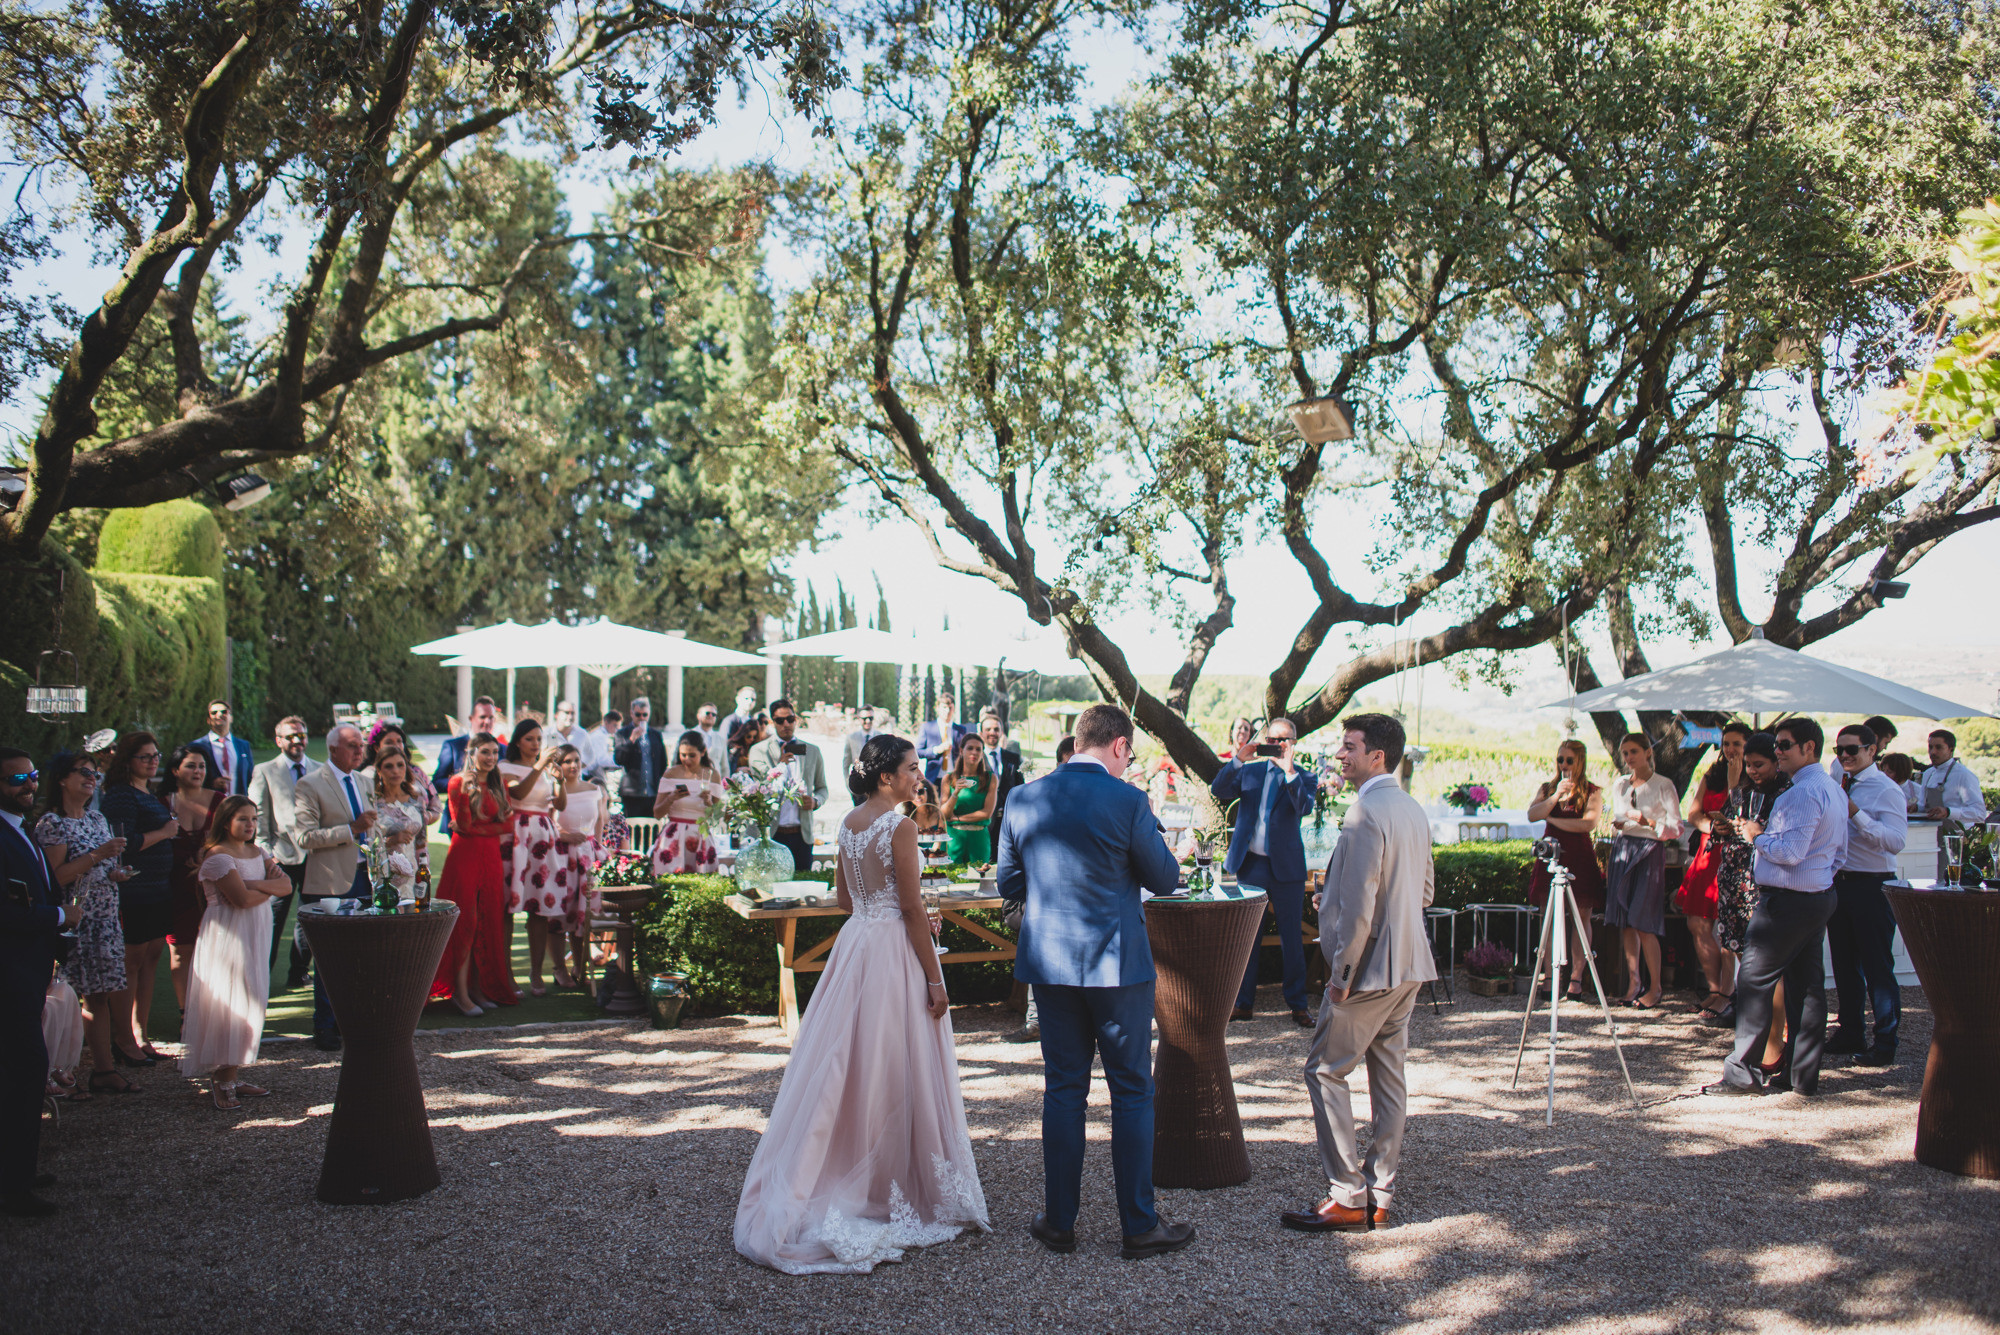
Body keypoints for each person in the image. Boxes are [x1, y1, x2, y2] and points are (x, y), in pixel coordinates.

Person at [733, 734, 990, 1273]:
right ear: (885, 777)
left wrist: (887, 909)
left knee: (847, 1063)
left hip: (857, 945)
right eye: (912, 768)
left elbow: (845, 899)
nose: (919, 776)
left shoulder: (849, 822)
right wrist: (936, 980)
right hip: (892, 951)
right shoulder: (899, 826)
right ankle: (890, 1180)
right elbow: (916, 913)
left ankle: (838, 1166)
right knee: (894, 1061)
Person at [998, 703, 1192, 1260]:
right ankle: (1139, 1225)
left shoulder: (1022, 797)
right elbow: (1164, 877)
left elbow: (1008, 880)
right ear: (1120, 747)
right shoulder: (1129, 800)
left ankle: (1059, 1222)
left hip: (1051, 966)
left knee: (1064, 1090)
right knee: (1132, 1091)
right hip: (1117, 966)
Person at [1281, 713, 1435, 1234]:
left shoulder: (1365, 810)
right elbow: (1424, 894)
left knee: (1325, 1071)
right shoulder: (1412, 808)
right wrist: (1338, 902)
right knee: (1389, 1077)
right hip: (1411, 963)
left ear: (1377, 757)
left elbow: (1365, 902)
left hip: (1368, 970)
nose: (1340, 755)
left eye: (1349, 747)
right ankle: (1381, 1191)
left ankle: (1348, 1194)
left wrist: (1341, 971)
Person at [1706, 718, 1846, 1097]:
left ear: (1809, 748)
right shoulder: (1833, 789)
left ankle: (1742, 1073)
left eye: (1785, 745)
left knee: (1752, 983)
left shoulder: (1798, 795)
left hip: (1786, 902)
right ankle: (1802, 1076)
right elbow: (1839, 854)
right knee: (1807, 988)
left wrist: (1757, 836)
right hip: (1817, 897)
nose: (1778, 751)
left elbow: (1789, 852)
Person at [1, 748, 87, 1218]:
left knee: (24, 1070)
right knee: (23, 1068)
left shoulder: (21, 829)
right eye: (16, 778)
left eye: (32, 775)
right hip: (9, 971)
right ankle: (14, 1186)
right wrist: (58, 915)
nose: (27, 784)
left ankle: (19, 1169)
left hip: (30, 968)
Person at [34, 752, 136, 1099]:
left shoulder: (97, 819)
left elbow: (99, 870)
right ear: (62, 779)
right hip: (73, 922)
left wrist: (114, 873)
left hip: (105, 918)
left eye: (96, 774)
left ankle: (103, 1070)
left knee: (100, 995)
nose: (92, 778)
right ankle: (60, 1072)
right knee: (66, 997)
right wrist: (98, 855)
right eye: (84, 772)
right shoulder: (53, 823)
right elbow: (54, 878)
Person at [180, 796, 290, 1110]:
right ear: (226, 821)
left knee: (252, 996)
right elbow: (240, 900)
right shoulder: (218, 857)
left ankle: (234, 1073)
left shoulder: (258, 852)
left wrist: (254, 884)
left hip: (255, 930)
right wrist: (263, 889)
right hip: (229, 934)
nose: (250, 825)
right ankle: (222, 1079)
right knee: (231, 1000)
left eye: (254, 819)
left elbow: (286, 888)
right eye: (243, 819)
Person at [1211, 716, 1320, 1026]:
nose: (1278, 745)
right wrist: (1237, 761)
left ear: (1294, 743)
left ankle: (1298, 1005)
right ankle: (1243, 1002)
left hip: (1286, 868)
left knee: (1291, 937)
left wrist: (1289, 771)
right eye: (1273, 739)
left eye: (1284, 740)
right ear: (1266, 741)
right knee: (1246, 937)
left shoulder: (1304, 777)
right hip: (1251, 864)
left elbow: (1304, 808)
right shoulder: (1251, 771)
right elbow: (1218, 790)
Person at [291, 723, 379, 1050]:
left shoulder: (365, 781)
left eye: (362, 745)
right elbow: (305, 837)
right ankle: (325, 1026)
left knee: (361, 958)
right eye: (353, 746)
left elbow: (375, 829)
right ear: (332, 750)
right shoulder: (310, 784)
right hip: (330, 882)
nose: (360, 751)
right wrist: (351, 829)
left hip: (365, 878)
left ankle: (353, 1022)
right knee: (330, 960)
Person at [1825, 723, 1907, 1067]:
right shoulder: (1836, 779)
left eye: (1852, 750)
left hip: (1872, 884)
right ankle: (1851, 1031)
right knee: (1843, 963)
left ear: (1872, 750)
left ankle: (1885, 1042)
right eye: (1838, 750)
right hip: (1839, 881)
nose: (1844, 756)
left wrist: (1856, 815)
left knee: (1877, 966)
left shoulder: (1885, 790)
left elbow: (1896, 842)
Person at [97, 733, 176, 1062]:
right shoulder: (120, 795)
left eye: (156, 755)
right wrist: (164, 833)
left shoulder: (149, 792)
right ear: (127, 760)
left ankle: (141, 1033)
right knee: (131, 962)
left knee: (151, 960)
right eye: (144, 756)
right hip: (134, 890)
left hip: (158, 887)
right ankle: (123, 1038)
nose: (153, 760)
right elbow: (122, 842)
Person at [431, 733, 519, 1015]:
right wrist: (468, 796)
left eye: (494, 752)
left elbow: (508, 826)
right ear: (472, 753)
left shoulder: (498, 782)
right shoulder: (459, 782)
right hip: (465, 857)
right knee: (465, 922)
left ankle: (480, 989)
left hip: (490, 857)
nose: (491, 758)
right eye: (485, 752)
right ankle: (460, 991)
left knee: (488, 921)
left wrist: (480, 829)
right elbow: (464, 825)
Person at [1524, 738, 1607, 1002]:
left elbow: (1588, 823)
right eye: (1560, 759)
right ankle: (1549, 978)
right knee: (1549, 919)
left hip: (1579, 856)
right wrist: (1556, 796)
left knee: (1580, 918)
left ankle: (1576, 979)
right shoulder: (1548, 788)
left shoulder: (1591, 791)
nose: (1564, 764)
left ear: (1580, 761)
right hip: (1551, 854)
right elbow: (1533, 814)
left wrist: (1553, 819)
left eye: (1569, 760)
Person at [1604, 733, 1681, 1008]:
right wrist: (1620, 825)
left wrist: (1648, 821)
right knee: (1625, 920)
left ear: (1648, 752)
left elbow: (1676, 828)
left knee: (1643, 920)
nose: (1629, 758)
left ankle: (1656, 987)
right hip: (1623, 848)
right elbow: (1619, 817)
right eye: (1625, 753)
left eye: (1634, 751)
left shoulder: (1664, 785)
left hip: (1649, 851)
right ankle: (1634, 982)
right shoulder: (1620, 784)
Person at [1678, 722, 1750, 1018]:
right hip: (1709, 850)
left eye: (1736, 743)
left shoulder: (1755, 775)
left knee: (1728, 925)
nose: (1730, 749)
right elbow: (1693, 812)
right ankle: (1714, 988)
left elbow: (1742, 813)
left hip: (1735, 855)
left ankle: (1728, 992)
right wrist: (1710, 826)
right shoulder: (1712, 773)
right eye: (1726, 743)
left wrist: (1735, 781)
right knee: (1697, 923)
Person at [501, 719, 570, 997]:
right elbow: (517, 792)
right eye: (530, 739)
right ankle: (506, 973)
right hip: (515, 836)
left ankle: (536, 972)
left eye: (539, 739)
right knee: (508, 906)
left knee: (539, 906)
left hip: (543, 836)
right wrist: (539, 766)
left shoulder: (545, 770)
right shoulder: (505, 768)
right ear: (518, 741)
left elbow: (561, 804)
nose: (536, 744)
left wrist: (560, 781)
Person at [249, 717, 319, 986]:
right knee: (273, 920)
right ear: (278, 741)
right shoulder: (265, 770)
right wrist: (267, 855)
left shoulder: (319, 769)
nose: (296, 740)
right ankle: (260, 977)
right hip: (281, 858)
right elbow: (258, 816)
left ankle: (298, 972)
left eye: (301, 735)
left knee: (309, 918)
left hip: (315, 856)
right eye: (290, 736)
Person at [163, 743, 219, 1018]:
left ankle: (212, 1012)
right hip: (175, 889)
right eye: (190, 766)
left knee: (214, 951)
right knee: (181, 951)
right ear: (175, 770)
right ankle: (186, 1014)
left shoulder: (220, 801)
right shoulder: (163, 803)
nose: (198, 771)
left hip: (214, 889)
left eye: (202, 766)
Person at [749, 699, 829, 873]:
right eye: (780, 720)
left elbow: (823, 788)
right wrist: (780, 767)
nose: (786, 724)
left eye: (790, 719)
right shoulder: (759, 750)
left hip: (802, 835)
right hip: (773, 834)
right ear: (772, 722)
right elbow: (759, 789)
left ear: (796, 719)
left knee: (802, 888)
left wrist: (815, 802)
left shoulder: (812, 750)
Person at [551, 746, 605, 971]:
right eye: (567, 761)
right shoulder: (553, 791)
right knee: (560, 914)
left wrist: (598, 846)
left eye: (576, 760)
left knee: (583, 914)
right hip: (561, 856)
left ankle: (581, 967)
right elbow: (548, 822)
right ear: (558, 766)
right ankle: (559, 968)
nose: (573, 765)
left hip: (588, 854)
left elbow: (600, 819)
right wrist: (564, 836)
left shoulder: (593, 789)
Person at [652, 732, 722, 876]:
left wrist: (708, 802)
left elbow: (718, 816)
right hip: (674, 835)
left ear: (703, 752)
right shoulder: (671, 774)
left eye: (691, 755)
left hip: (700, 834)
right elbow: (657, 813)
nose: (686, 760)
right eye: (683, 755)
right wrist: (671, 798)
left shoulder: (713, 775)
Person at [431, 695, 499, 836]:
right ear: (471, 719)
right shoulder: (453, 746)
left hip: (491, 820)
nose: (487, 721)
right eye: (482, 717)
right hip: (459, 819)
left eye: (491, 717)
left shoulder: (502, 749)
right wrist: (459, 780)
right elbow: (437, 782)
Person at [371, 750, 434, 900]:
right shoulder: (373, 802)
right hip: (385, 873)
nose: (396, 771)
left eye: (400, 765)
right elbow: (367, 845)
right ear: (379, 771)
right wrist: (392, 840)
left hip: (412, 870)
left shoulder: (416, 797)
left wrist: (423, 871)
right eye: (389, 766)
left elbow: (421, 841)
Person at [942, 734, 999, 864]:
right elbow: (944, 814)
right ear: (961, 751)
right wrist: (955, 793)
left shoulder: (990, 778)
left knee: (977, 879)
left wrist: (957, 819)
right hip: (954, 839)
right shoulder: (949, 779)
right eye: (970, 748)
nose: (974, 752)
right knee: (952, 880)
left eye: (978, 749)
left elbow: (986, 813)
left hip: (978, 839)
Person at [1916, 729, 1986, 825]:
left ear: (1951, 749)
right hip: (1929, 832)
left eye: (1938, 747)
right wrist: (1916, 808)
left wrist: (1948, 812)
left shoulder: (1964, 775)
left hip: (1956, 835)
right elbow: (1923, 805)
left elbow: (1979, 813)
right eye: (1930, 747)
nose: (1933, 752)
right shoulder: (1928, 774)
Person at [615, 697, 668, 820]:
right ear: (631, 714)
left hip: (653, 792)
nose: (642, 718)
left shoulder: (656, 734)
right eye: (638, 715)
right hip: (632, 793)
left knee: (652, 830)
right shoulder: (622, 733)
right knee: (633, 831)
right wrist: (631, 739)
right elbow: (619, 759)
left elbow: (662, 763)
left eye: (645, 715)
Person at [187, 699, 254, 798]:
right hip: (208, 803)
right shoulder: (197, 746)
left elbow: (250, 776)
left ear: (231, 718)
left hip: (238, 803)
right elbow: (189, 778)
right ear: (208, 720)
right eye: (214, 713)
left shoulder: (243, 746)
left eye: (224, 712)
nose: (219, 715)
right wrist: (211, 783)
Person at [978, 714, 1025, 833]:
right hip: (985, 822)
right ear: (981, 733)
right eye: (988, 729)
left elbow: (1020, 787)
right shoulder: (976, 759)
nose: (992, 732)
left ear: (1001, 733)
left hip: (1008, 820)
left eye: (996, 729)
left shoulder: (1013, 758)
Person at [917, 691, 967, 787]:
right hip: (934, 778)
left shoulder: (961, 730)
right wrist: (936, 750)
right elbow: (918, 751)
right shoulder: (927, 728)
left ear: (954, 709)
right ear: (937, 708)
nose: (947, 711)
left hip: (954, 779)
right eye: (944, 707)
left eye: (950, 708)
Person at [549, 700, 609, 780]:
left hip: (576, 782)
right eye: (566, 713)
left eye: (572, 713)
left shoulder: (581, 733)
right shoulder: (549, 733)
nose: (570, 717)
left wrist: (578, 766)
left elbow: (591, 755)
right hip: (554, 781)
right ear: (557, 715)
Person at [718, 687, 759, 774]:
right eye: (746, 698)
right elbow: (723, 748)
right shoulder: (729, 721)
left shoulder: (754, 722)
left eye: (753, 699)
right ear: (738, 699)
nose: (750, 701)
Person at [844, 707, 878, 775]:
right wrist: (848, 783)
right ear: (859, 719)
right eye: (864, 718)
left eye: (870, 718)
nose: (868, 721)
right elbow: (846, 765)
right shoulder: (851, 739)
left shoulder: (880, 737)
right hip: (858, 782)